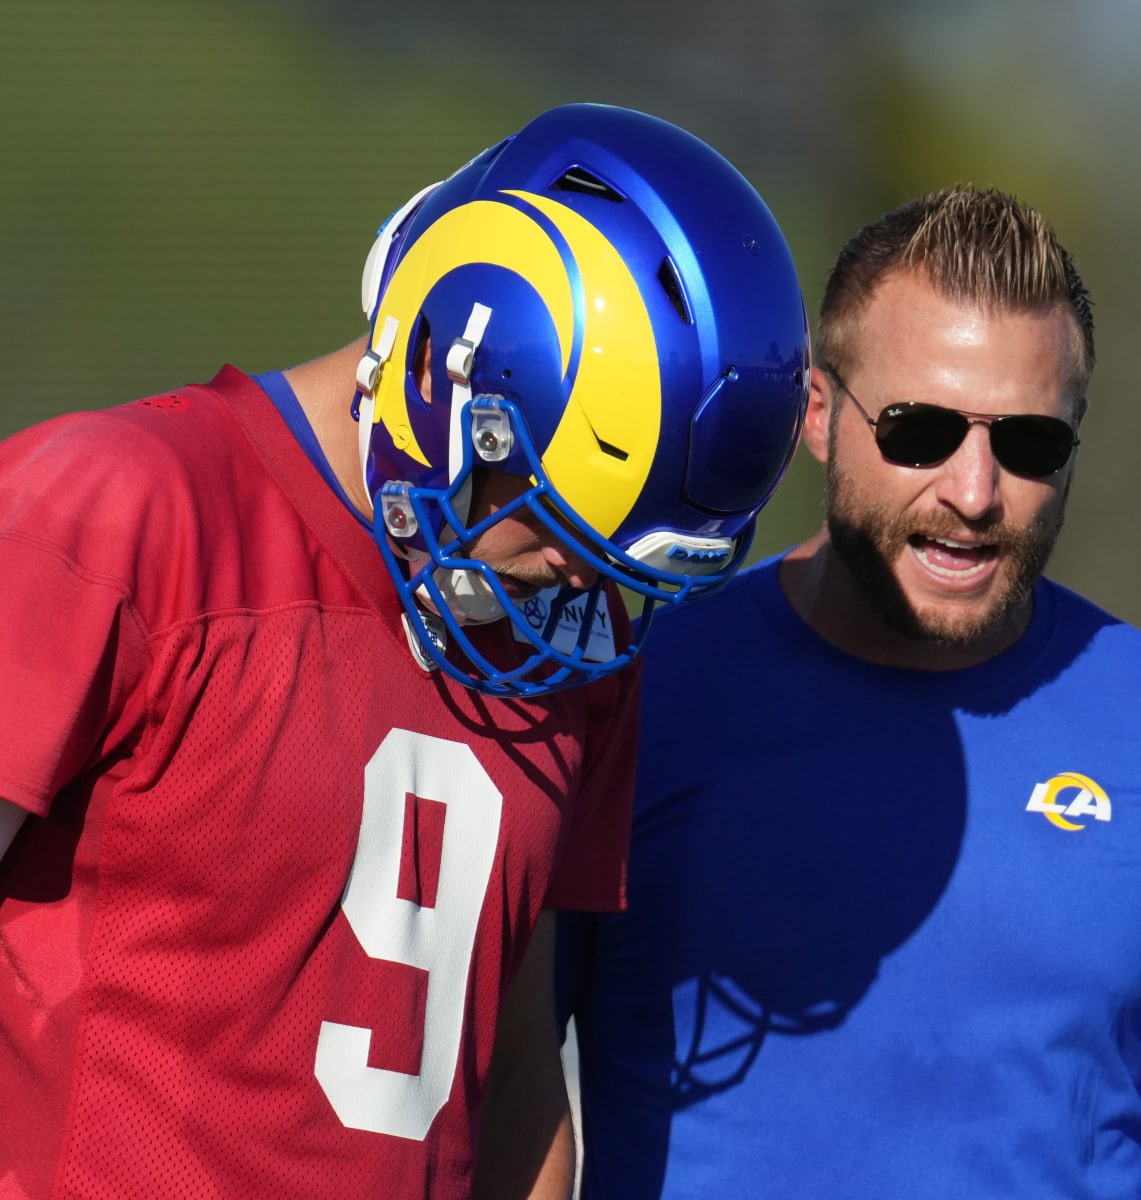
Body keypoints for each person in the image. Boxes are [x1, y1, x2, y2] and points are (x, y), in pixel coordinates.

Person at [0, 102, 810, 1200]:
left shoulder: (577, 653)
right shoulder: (121, 507)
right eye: (563, 526)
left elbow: (517, 1077)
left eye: (623, 567)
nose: (583, 588)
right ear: (458, 368)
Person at [557, 185, 1141, 1199]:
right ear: (819, 416)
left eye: (1030, 444)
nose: (975, 492)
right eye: (920, 430)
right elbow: (499, 1101)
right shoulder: (628, 702)